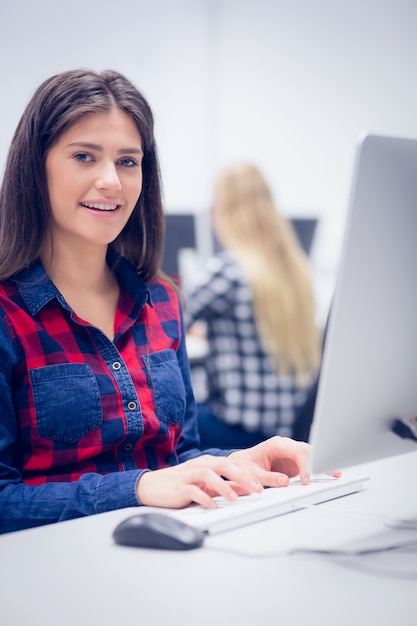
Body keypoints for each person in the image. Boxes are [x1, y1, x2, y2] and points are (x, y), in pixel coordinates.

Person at [0, 69, 336, 535]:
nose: (110, 181)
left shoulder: (162, 301)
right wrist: (138, 488)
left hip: (167, 555)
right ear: (36, 166)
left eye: (128, 161)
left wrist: (239, 462)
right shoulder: (7, 311)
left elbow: (177, 458)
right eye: (84, 156)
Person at [185, 163, 321, 448]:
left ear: (224, 211)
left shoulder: (228, 270)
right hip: (291, 430)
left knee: (169, 429)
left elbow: (163, 325)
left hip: (239, 432)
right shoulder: (296, 268)